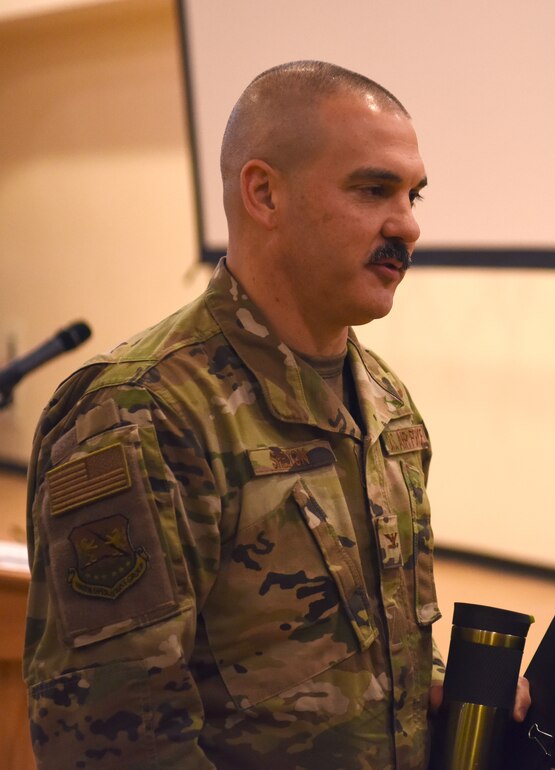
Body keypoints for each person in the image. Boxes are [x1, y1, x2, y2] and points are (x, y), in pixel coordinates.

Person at [22, 60, 525, 769]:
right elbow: (113, 741)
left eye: (414, 195)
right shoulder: (144, 414)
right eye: (373, 189)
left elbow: (364, 645)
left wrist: (435, 687)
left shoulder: (385, 402)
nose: (407, 225)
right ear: (264, 193)